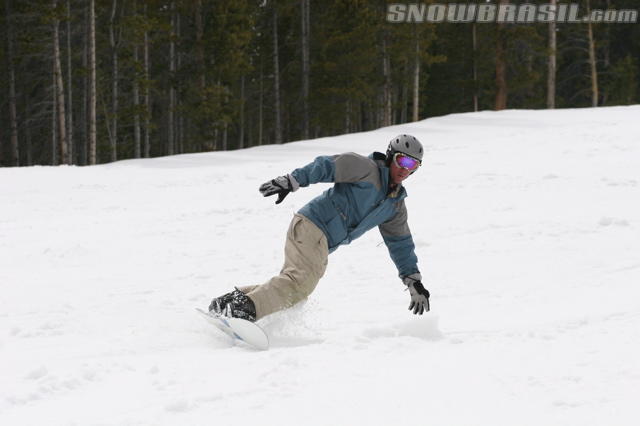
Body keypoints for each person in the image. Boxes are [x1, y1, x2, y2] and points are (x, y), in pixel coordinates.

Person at [209, 134, 430, 322]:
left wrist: (413, 281)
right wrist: (293, 180)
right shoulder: (366, 168)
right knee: (299, 284)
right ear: (391, 156)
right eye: (402, 161)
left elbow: (400, 243)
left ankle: (231, 303)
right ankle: (243, 311)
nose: (405, 169)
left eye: (413, 165)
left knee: (296, 286)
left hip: (319, 239)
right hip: (313, 226)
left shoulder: (394, 205)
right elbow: (326, 166)